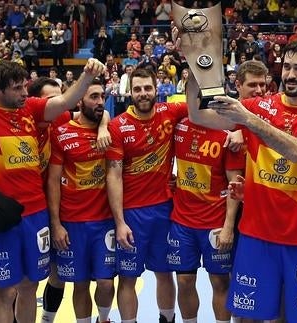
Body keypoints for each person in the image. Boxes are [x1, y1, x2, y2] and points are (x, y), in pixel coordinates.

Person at [186, 39, 297, 322]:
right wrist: (196, 63)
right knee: (250, 317)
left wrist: (248, 120)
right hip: (256, 235)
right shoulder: (261, 106)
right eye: (286, 67)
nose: (291, 75)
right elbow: (198, 114)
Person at [0, 58, 105, 323]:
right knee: (4, 292)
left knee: (29, 287)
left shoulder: (31, 109)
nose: (25, 93)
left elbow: (69, 103)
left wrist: (88, 75)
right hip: (4, 217)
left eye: (25, 87)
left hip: (36, 214)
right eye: (17, 89)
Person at [106, 67, 187, 323]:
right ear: (130, 92)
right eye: (137, 89)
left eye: (147, 88)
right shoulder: (117, 126)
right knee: (128, 278)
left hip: (164, 210)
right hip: (132, 214)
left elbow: (201, 104)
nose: (143, 94)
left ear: (157, 89)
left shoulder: (170, 112)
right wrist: (119, 222)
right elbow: (114, 176)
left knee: (165, 274)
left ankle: (167, 319)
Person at [167, 92, 246, 323]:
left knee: (220, 281)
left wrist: (228, 227)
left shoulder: (226, 135)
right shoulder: (178, 127)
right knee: (184, 280)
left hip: (214, 223)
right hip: (182, 222)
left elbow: (235, 183)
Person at [48, 78, 115, 323]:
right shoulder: (62, 133)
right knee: (80, 284)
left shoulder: (111, 130)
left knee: (106, 283)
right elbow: (53, 181)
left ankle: (104, 319)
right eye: (93, 97)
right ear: (80, 101)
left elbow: (105, 114)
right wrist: (56, 224)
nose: (99, 102)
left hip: (104, 221)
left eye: (102, 96)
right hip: (73, 222)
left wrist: (104, 125)